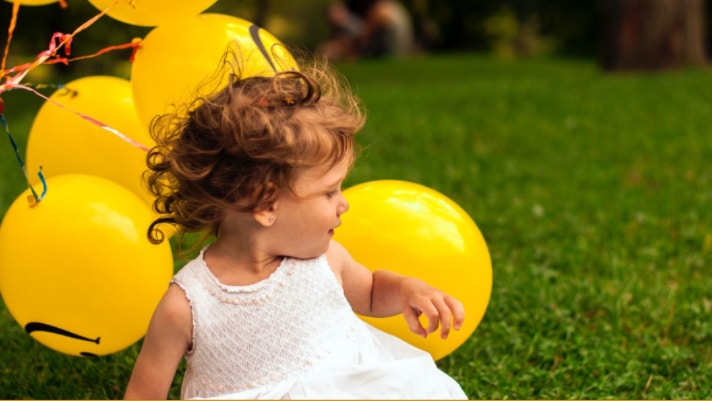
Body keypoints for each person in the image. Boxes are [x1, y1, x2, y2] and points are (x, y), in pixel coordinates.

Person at [123, 54, 467, 399]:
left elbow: (372, 291)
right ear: (265, 204)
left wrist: (409, 291)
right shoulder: (187, 306)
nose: (343, 203)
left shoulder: (325, 260)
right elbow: (143, 394)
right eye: (329, 191)